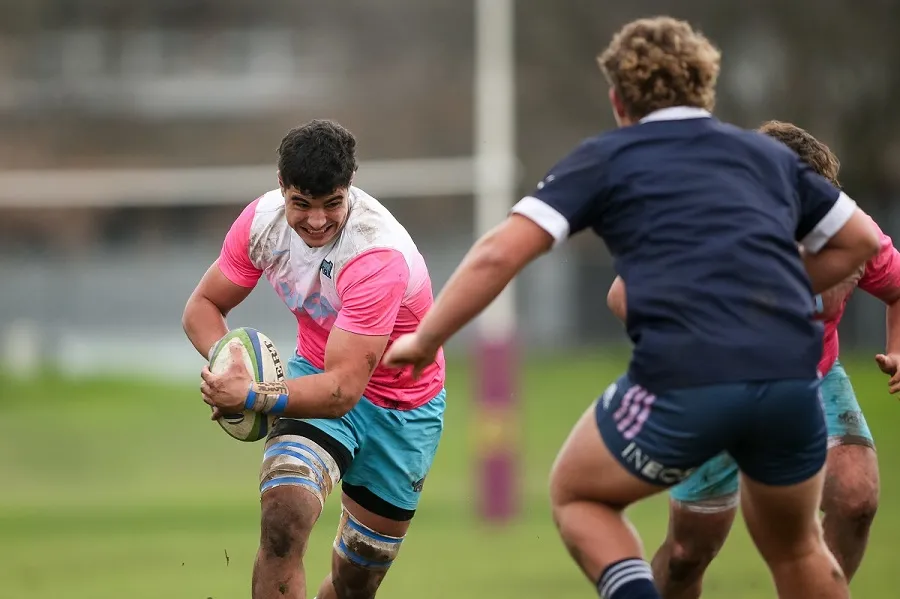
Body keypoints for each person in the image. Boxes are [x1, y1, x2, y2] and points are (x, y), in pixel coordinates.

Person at [382, 16, 880, 599]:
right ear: (706, 88)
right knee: (797, 551)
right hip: (790, 379)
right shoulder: (764, 156)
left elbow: (499, 254)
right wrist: (777, 291)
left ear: (619, 100)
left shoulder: (608, 157)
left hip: (688, 375)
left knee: (578, 495)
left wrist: (425, 338)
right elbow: (861, 241)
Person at [606, 120, 900, 598]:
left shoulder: (852, 237)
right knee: (686, 554)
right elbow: (623, 295)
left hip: (810, 379)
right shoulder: (705, 225)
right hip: (714, 386)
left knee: (856, 497)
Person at [182, 119, 447, 599]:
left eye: (332, 204)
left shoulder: (375, 254)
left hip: (402, 411)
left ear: (350, 188)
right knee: (284, 517)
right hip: (315, 375)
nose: (318, 220)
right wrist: (230, 364)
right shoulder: (262, 224)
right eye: (302, 204)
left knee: (355, 582)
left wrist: (253, 395)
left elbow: (344, 391)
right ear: (281, 187)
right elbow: (202, 308)